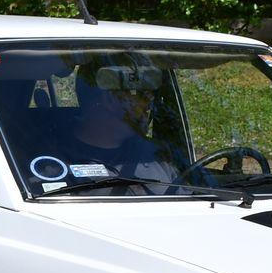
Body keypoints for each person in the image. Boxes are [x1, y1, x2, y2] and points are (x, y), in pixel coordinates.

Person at [55, 64, 188, 186]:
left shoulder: (155, 155)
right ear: (110, 99)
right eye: (141, 95)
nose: (149, 104)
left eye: (151, 96)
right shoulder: (55, 165)